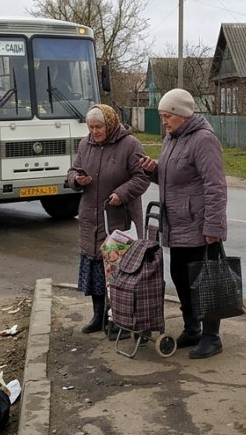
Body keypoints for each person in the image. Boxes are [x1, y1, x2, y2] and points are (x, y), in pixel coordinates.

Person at [137, 88, 228, 359]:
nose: (164, 121)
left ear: (182, 115)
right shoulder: (171, 139)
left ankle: (212, 337)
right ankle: (192, 329)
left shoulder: (204, 140)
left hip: (199, 228)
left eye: (167, 116)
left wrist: (213, 227)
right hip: (176, 226)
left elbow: (216, 186)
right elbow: (172, 178)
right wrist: (153, 171)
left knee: (205, 283)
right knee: (180, 278)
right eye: (162, 116)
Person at [67, 104, 150, 334]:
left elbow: (142, 177)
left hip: (118, 219)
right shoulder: (85, 145)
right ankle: (99, 316)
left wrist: (121, 193)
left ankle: (120, 320)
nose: (94, 132)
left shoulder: (130, 145)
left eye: (98, 127)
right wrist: (76, 180)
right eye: (91, 127)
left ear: (110, 124)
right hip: (90, 219)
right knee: (95, 271)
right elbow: (73, 171)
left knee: (119, 273)